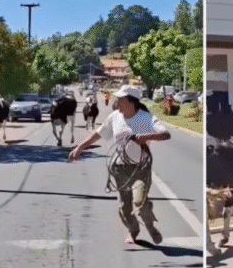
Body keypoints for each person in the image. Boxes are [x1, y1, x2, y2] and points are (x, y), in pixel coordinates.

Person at [68, 85, 170, 245]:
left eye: (121, 99)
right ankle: (134, 230)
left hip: (140, 168)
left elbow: (165, 134)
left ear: (131, 102)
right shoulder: (114, 117)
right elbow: (98, 134)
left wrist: (145, 137)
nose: (117, 102)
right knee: (124, 207)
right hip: (119, 168)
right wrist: (80, 147)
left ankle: (150, 226)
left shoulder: (146, 118)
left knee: (139, 201)